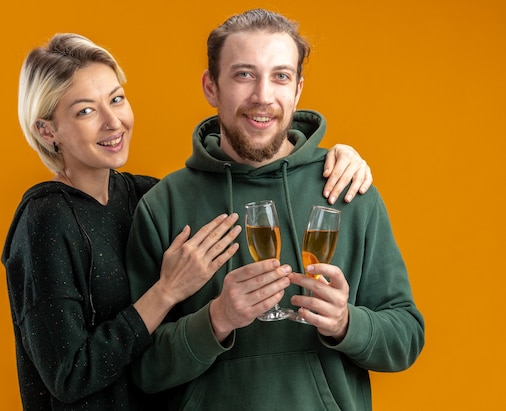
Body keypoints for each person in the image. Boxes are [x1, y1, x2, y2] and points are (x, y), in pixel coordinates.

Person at [1, 33, 373, 410]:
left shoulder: (143, 196)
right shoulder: (45, 219)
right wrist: (166, 292)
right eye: (85, 111)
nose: (113, 122)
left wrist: (327, 156)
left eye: (116, 99)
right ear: (46, 131)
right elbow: (69, 374)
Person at [126, 9, 425, 411]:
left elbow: (406, 338)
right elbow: (139, 370)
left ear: (298, 89)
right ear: (211, 87)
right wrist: (215, 320)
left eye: (280, 76)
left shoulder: (349, 188)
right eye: (244, 74)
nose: (263, 96)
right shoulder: (163, 205)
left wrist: (345, 323)